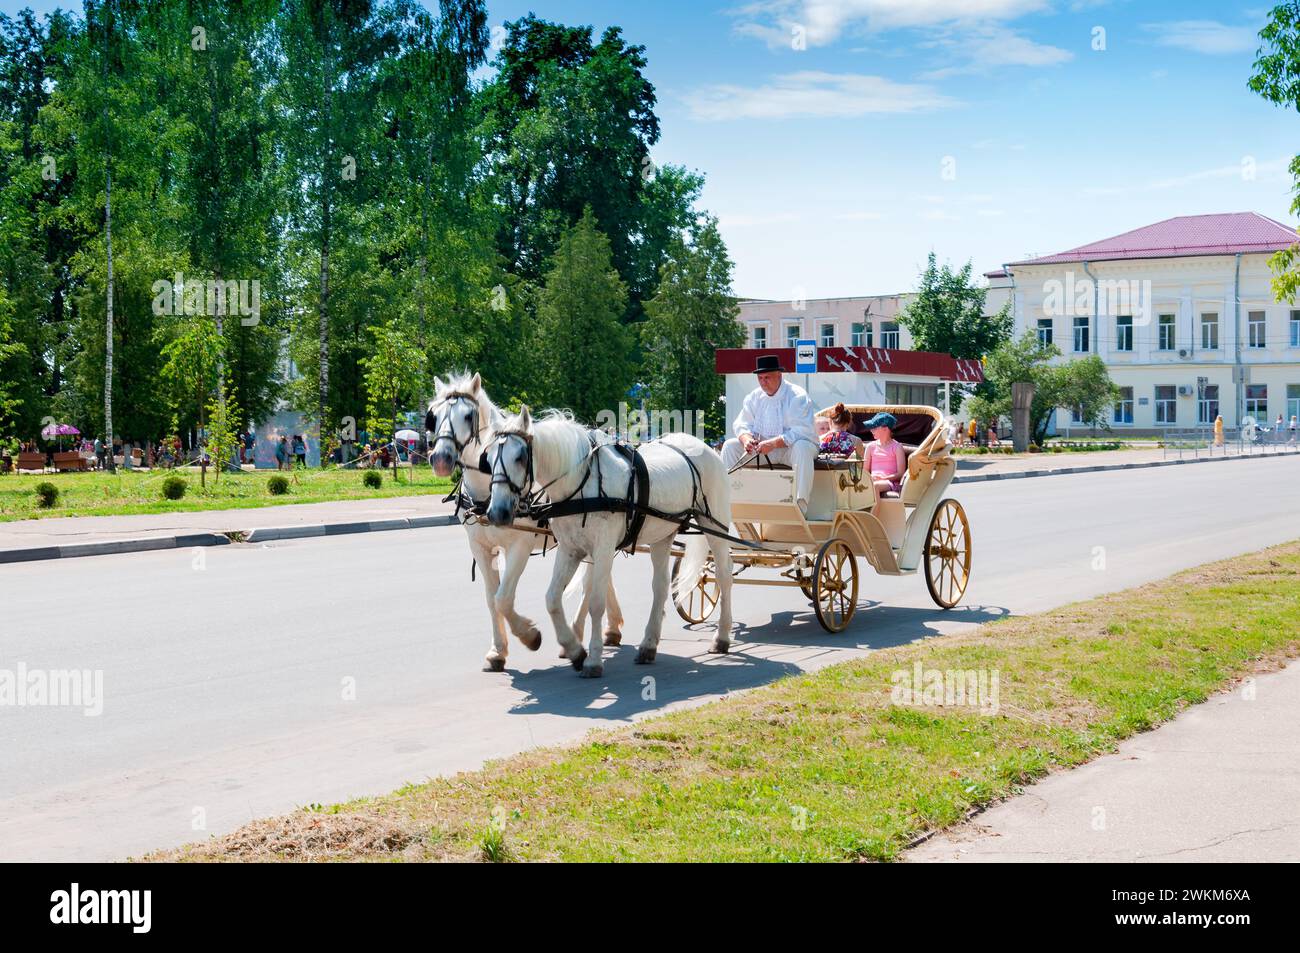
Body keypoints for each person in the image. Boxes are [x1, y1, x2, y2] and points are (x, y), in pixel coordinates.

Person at [720, 354, 817, 513]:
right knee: (730, 446)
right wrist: (747, 440)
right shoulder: (754, 397)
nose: (763, 382)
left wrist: (773, 443)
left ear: (779, 375)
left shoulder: (797, 395)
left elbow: (801, 431)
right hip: (764, 450)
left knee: (802, 447)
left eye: (767, 377)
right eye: (760, 378)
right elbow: (741, 424)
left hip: (791, 450)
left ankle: (800, 506)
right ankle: (727, 500)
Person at [862, 412, 907, 497]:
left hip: (890, 482)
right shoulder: (870, 446)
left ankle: (875, 511)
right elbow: (865, 471)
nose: (871, 430)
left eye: (874, 428)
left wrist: (884, 478)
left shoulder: (897, 447)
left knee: (875, 486)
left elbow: (900, 473)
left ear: (885, 429)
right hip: (872, 480)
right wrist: (870, 479)